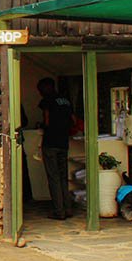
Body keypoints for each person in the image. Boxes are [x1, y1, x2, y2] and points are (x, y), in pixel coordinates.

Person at [37, 77, 74, 220]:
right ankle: (68, 208)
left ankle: (59, 211)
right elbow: (73, 120)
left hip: (51, 142)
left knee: (54, 178)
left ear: (46, 88)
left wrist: (42, 125)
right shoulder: (65, 100)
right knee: (63, 177)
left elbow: (46, 120)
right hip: (63, 143)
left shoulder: (47, 101)